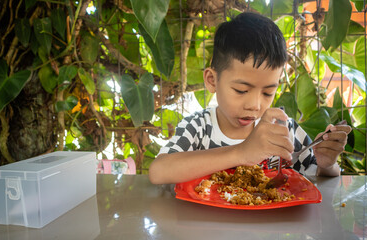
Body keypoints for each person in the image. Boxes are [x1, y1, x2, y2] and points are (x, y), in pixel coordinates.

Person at [148, 12, 351, 184]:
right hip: (209, 229)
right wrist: (241, 152)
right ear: (212, 80)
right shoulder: (199, 128)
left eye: (267, 93)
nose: (255, 105)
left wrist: (327, 164)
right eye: (241, 90)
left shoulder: (283, 129)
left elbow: (318, 178)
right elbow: (159, 171)